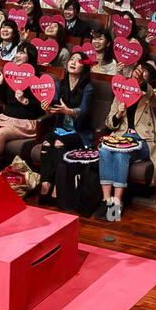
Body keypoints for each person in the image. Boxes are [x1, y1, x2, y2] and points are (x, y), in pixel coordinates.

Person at [96, 61, 156, 221]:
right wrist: (118, 115)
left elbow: (154, 99)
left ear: (149, 78)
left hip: (143, 140)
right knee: (106, 149)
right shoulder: (121, 92)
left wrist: (141, 84)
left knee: (121, 153)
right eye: (137, 69)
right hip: (121, 137)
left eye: (144, 71)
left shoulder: (153, 93)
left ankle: (117, 202)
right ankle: (106, 200)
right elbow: (109, 123)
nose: (138, 72)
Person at [37, 53, 94, 202]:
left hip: (79, 131)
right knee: (47, 143)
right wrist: (47, 108)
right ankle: (45, 183)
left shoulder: (88, 88)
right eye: (71, 59)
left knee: (58, 144)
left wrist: (68, 111)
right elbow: (53, 107)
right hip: (60, 128)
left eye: (78, 60)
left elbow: (84, 110)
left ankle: (58, 187)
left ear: (84, 67)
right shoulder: (58, 85)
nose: (73, 62)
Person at [0, 42, 46, 165]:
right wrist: (1, 85)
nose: (17, 56)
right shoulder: (11, 74)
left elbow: (41, 108)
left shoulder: (38, 79)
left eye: (21, 53)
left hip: (25, 121)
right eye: (17, 52)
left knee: (0, 134)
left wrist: (25, 101)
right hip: (6, 117)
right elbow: (5, 100)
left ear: (30, 56)